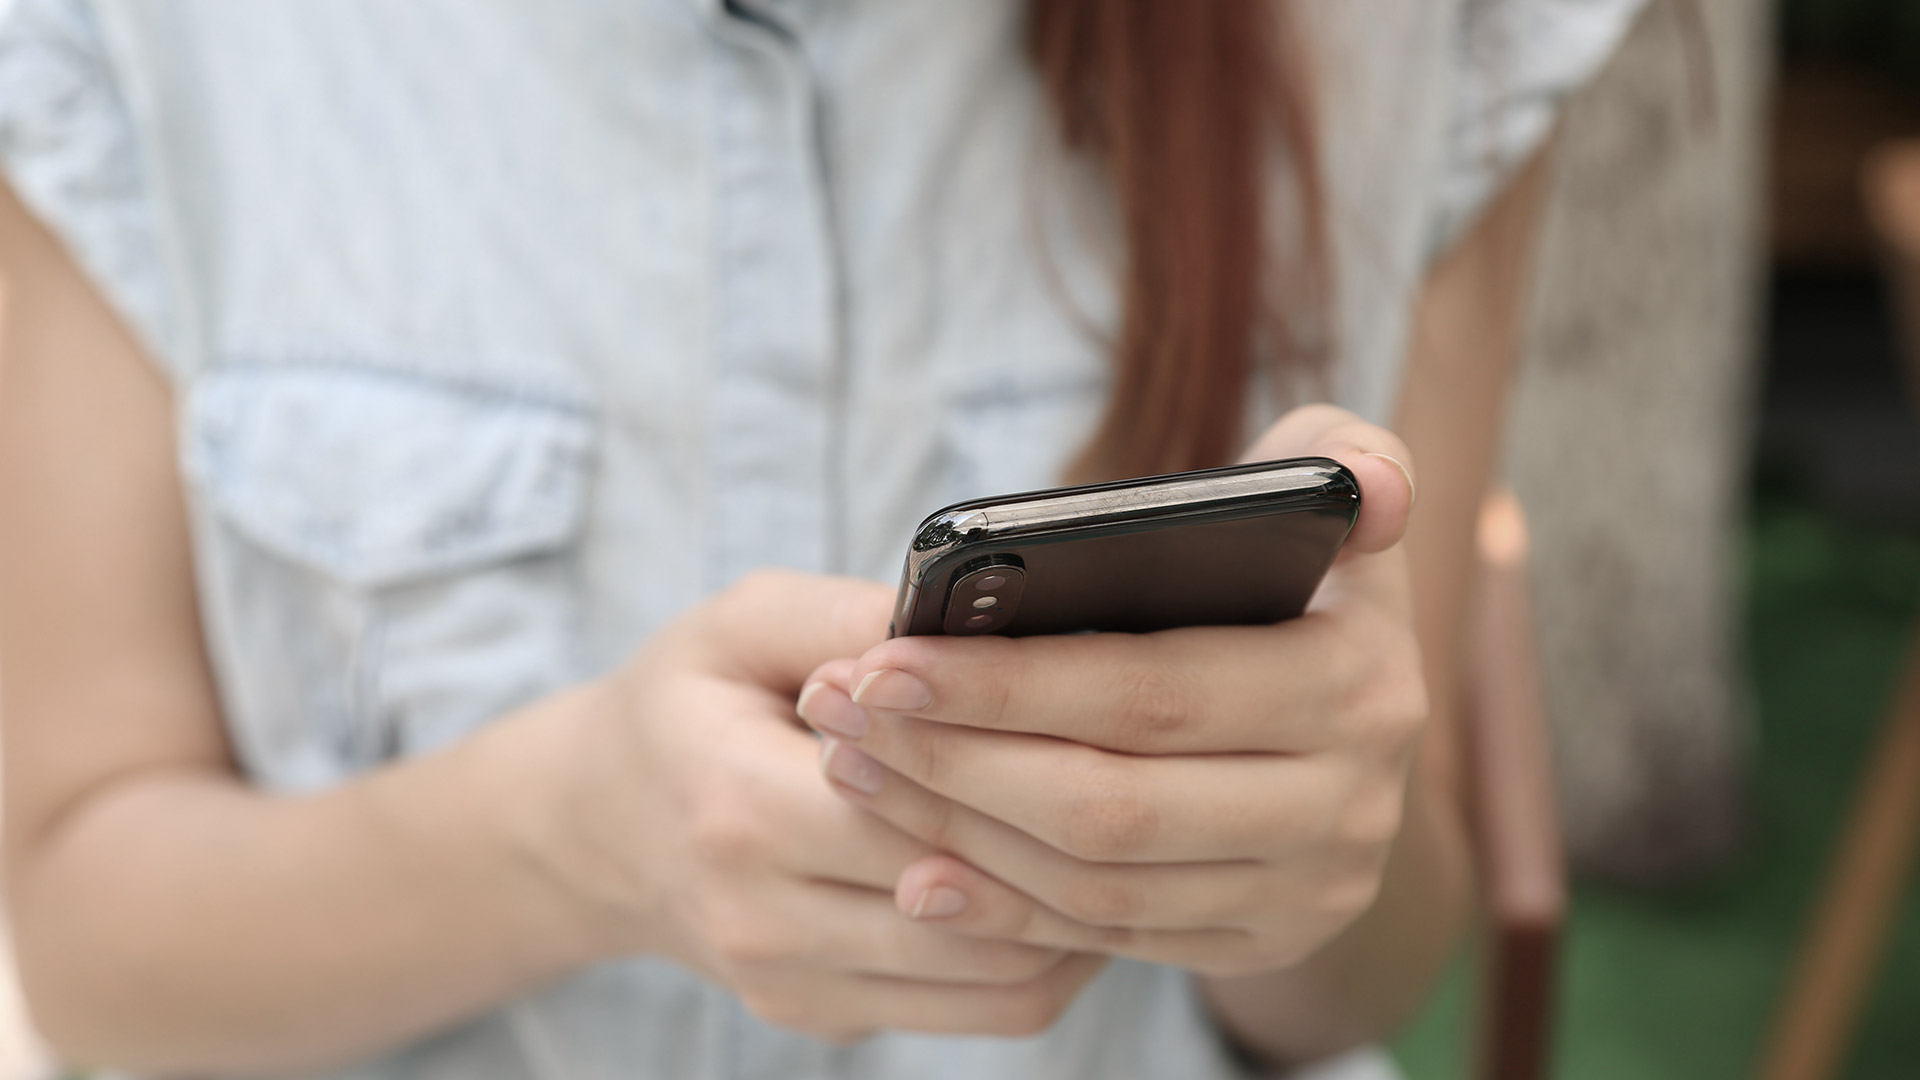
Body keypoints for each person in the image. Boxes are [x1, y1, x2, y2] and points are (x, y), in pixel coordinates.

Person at [0, 1, 1643, 1077]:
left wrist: (1306, 855)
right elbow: (93, 959)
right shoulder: (141, 40)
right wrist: (566, 841)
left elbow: (1377, 966)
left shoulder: (1430, 33)